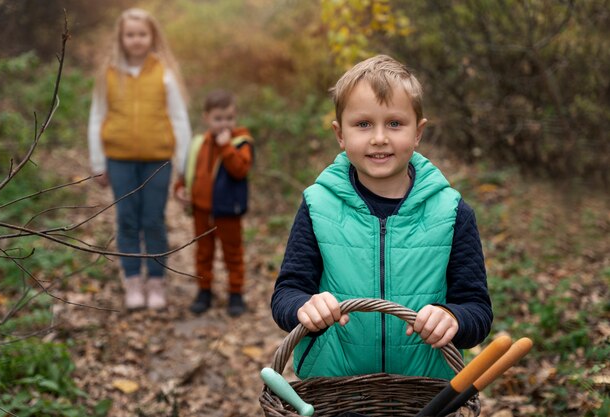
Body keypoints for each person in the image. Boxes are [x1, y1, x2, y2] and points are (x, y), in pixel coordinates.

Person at [271, 55, 492, 380]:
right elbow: (286, 294)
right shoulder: (318, 206)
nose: (379, 138)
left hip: (425, 389)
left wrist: (453, 318)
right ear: (340, 134)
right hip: (334, 385)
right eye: (363, 124)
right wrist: (304, 308)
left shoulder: (451, 213)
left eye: (394, 123)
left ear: (418, 132)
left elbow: (477, 310)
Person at [87, 8, 192, 311]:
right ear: (121, 38)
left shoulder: (164, 73)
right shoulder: (109, 73)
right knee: (127, 220)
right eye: (130, 35)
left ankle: (156, 281)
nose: (136, 40)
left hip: (157, 160)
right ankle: (133, 280)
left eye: (141, 34)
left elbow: (179, 119)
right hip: (118, 160)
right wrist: (97, 163)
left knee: (153, 220)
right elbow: (97, 117)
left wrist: (184, 165)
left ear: (152, 37)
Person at [174, 90, 254, 317]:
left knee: (233, 253)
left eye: (229, 118)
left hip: (228, 212)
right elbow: (190, 169)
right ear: (206, 118)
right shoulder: (200, 142)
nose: (224, 124)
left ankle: (235, 293)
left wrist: (226, 147)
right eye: (218, 119)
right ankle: (204, 290)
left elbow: (240, 170)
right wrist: (179, 188)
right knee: (203, 252)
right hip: (201, 210)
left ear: (235, 117)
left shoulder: (240, 143)